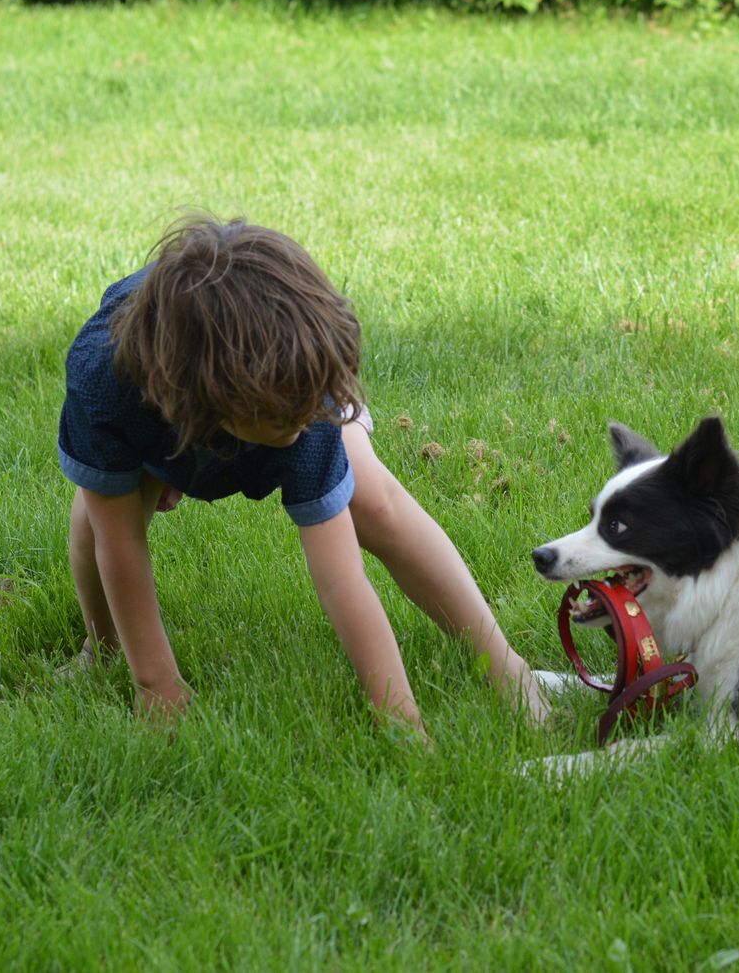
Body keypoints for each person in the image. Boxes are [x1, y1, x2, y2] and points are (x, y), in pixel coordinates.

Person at [57, 216, 548, 737]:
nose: (309, 419)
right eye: (291, 417)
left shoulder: (305, 404)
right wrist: (156, 683)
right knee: (99, 519)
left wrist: (403, 724)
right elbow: (120, 542)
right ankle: (102, 648)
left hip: (249, 383)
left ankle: (505, 666)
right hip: (160, 398)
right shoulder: (105, 380)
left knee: (372, 499)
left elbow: (341, 579)